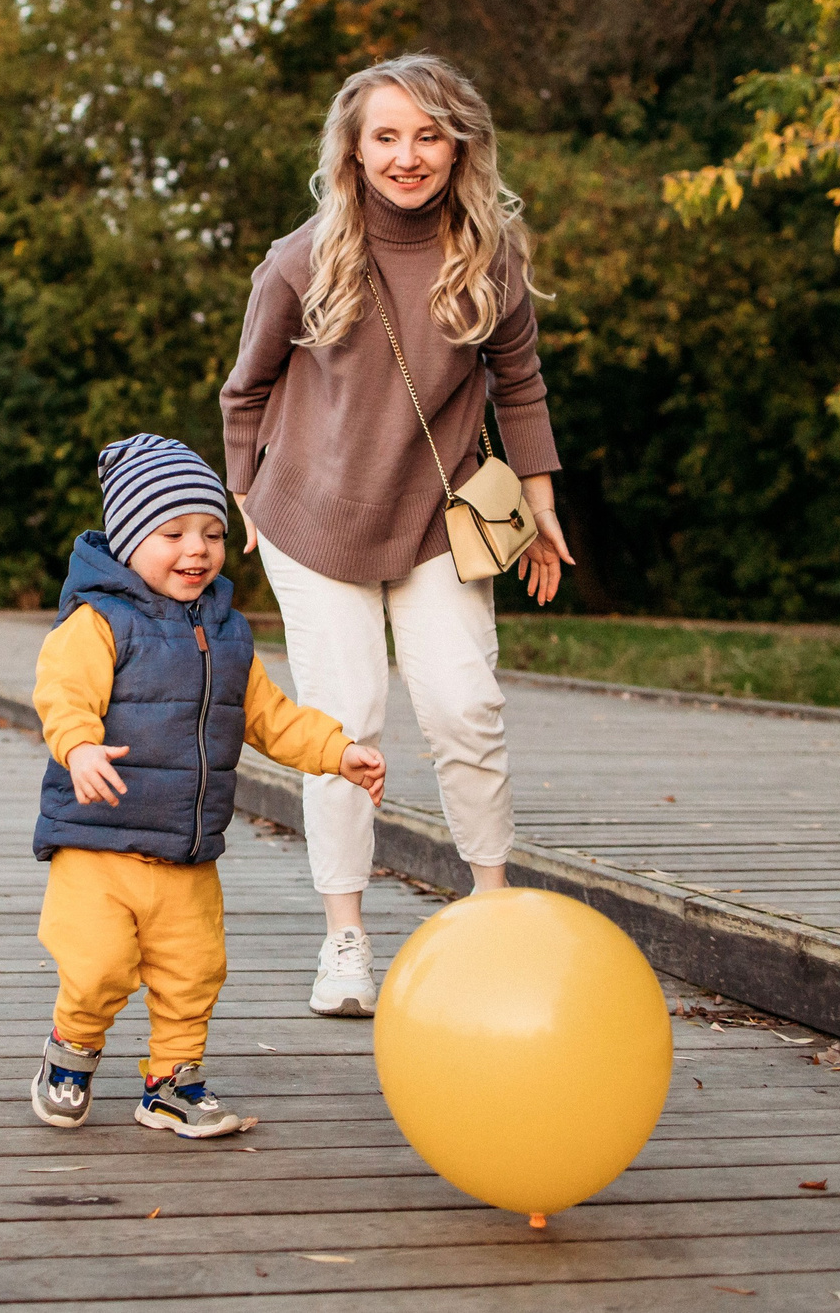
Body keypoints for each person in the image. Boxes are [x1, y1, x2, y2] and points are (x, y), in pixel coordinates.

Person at [219, 53, 571, 1018]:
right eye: (387, 136)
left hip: (435, 519)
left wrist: (539, 507)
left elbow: (520, 386)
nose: (408, 155)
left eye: (428, 135)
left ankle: (491, 910)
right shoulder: (304, 256)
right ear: (354, 147)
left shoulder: (488, 252)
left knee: (464, 706)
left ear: (459, 144)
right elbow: (245, 387)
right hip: (313, 518)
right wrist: (244, 494)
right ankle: (345, 936)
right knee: (348, 724)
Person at [28, 434, 385, 1136]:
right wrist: (78, 748)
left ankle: (173, 1081)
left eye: (213, 532)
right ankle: (70, 1051)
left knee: (194, 971)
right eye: (174, 532)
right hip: (98, 842)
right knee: (97, 965)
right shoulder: (99, 622)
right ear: (130, 539)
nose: (197, 548)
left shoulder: (225, 634)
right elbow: (61, 694)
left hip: (188, 851)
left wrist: (337, 751)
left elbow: (269, 716)